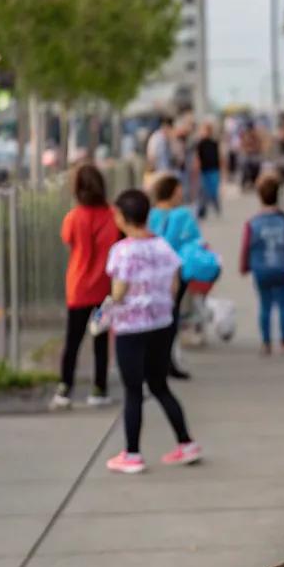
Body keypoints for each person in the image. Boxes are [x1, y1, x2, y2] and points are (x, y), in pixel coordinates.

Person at [105, 187, 201, 474]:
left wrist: (106, 312)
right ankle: (186, 443)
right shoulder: (162, 246)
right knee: (159, 385)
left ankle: (132, 454)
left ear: (121, 217)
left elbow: (119, 291)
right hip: (161, 324)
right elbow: (174, 286)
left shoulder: (121, 250)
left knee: (133, 390)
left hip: (131, 328)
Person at [51, 163, 120, 411]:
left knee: (73, 340)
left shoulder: (73, 217)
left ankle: (64, 388)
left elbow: (67, 239)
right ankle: (99, 389)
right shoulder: (114, 215)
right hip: (105, 289)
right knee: (101, 339)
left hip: (78, 287)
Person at [240, 172, 284, 354]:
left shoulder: (252, 223)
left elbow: (247, 246)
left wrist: (245, 266)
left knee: (265, 305)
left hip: (261, 268)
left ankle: (266, 341)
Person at [148, 173, 203, 380]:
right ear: (171, 193)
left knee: (155, 316)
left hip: (152, 273)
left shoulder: (150, 215)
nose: (181, 195)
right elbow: (194, 241)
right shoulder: (183, 215)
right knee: (171, 317)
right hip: (175, 273)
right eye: (178, 191)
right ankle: (166, 359)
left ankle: (156, 359)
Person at [195, 121, 222, 218]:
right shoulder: (200, 144)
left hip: (214, 169)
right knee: (204, 191)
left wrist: (222, 170)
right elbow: (197, 158)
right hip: (204, 170)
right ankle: (202, 210)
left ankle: (216, 206)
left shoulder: (214, 143)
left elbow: (219, 156)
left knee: (213, 190)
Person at [239, 120, 262, 190]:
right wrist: (249, 149)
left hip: (254, 155)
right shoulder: (244, 135)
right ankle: (245, 182)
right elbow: (242, 147)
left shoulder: (255, 136)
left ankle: (254, 181)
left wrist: (254, 148)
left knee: (257, 164)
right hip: (247, 155)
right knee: (245, 164)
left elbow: (258, 146)